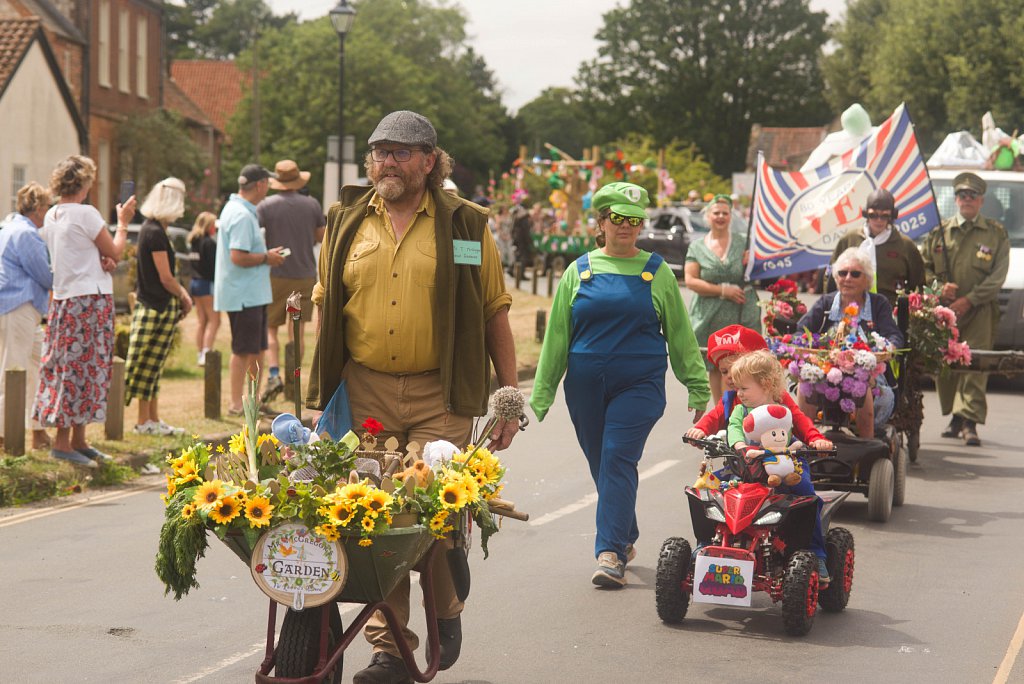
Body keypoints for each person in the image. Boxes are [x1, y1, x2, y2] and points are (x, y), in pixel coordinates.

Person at [306, 110, 520, 684]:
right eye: (379, 151)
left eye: (401, 152)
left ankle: (446, 606)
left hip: (440, 394)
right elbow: (326, 300)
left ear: (430, 161)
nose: (387, 162)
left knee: (432, 513)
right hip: (366, 389)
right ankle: (392, 648)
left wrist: (509, 398)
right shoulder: (347, 219)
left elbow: (494, 307)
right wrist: (316, 388)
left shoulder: (466, 227)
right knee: (376, 515)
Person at [530, 181, 710, 590]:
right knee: (603, 463)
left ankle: (609, 552)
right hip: (584, 385)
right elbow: (557, 337)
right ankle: (625, 534)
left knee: (615, 456)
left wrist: (697, 385)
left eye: (634, 219)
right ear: (601, 222)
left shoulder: (658, 271)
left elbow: (680, 333)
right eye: (618, 218)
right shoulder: (578, 270)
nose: (627, 226)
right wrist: (540, 395)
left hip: (640, 383)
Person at [33, 155, 135, 467]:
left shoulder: (53, 214)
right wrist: (123, 223)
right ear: (85, 183)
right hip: (89, 301)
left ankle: (77, 440)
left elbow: (80, 253)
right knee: (87, 368)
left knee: (69, 366)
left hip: (64, 300)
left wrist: (101, 259)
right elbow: (115, 249)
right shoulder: (87, 213)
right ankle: (66, 442)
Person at [724, 349, 832, 585]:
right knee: (719, 494)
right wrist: (740, 445)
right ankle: (709, 545)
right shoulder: (741, 410)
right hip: (749, 463)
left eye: (744, 388)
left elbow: (802, 423)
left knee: (807, 498)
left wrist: (816, 439)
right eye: (738, 388)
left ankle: (818, 554)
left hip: (786, 463)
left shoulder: (783, 407)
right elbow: (733, 428)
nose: (738, 393)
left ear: (766, 384)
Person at [921, 172, 1010, 446]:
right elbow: (922, 267)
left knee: (975, 364)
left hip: (980, 311)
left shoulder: (995, 234)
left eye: (972, 196)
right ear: (956, 200)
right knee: (946, 366)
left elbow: (998, 275)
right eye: (962, 195)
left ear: (981, 200)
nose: (967, 200)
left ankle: (969, 420)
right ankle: (955, 416)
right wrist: (938, 288)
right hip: (944, 313)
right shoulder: (939, 232)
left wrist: (969, 299)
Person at [797, 247, 904, 438]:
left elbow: (894, 336)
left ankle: (866, 445)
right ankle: (805, 441)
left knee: (861, 382)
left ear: (867, 280)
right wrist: (810, 351)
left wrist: (886, 349)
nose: (847, 278)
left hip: (867, 371)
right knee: (807, 380)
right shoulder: (826, 303)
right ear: (836, 278)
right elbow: (800, 332)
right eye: (842, 273)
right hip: (826, 369)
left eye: (855, 274)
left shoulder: (878, 304)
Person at [214, 164, 286, 415]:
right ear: (260, 185)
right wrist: (266, 257)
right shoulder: (242, 215)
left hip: (250, 292)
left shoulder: (239, 209)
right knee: (243, 349)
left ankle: (251, 401)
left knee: (256, 349)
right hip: (244, 294)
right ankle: (236, 404)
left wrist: (265, 256)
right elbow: (238, 256)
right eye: (267, 183)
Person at [124, 178, 193, 435]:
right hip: (154, 306)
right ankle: (144, 422)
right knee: (144, 368)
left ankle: (152, 419)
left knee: (153, 369)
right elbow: (166, 277)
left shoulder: (155, 230)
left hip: (158, 306)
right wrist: (184, 295)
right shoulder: (154, 232)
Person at [257, 160, 326, 402]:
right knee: (296, 330)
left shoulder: (266, 205)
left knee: (271, 327)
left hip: (276, 274)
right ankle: (293, 378)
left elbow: (255, 234)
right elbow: (321, 236)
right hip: (305, 274)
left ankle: (274, 371)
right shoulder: (312, 204)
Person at [684, 193, 761, 404]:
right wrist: (722, 290)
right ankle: (721, 413)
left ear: (731, 216)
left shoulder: (743, 242)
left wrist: (752, 263)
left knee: (741, 366)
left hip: (740, 315)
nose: (720, 216)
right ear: (708, 216)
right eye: (716, 213)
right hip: (709, 317)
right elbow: (690, 280)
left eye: (724, 213)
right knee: (716, 366)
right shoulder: (697, 246)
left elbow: (760, 274)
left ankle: (740, 411)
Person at [0, 182, 53, 451]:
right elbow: (44, 275)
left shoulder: (9, 226)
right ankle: (4, 436)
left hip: (18, 310)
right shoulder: (26, 234)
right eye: (46, 206)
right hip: (18, 308)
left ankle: (37, 430)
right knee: (14, 370)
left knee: (39, 367)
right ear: (39, 209)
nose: (48, 212)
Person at [826, 187, 925, 306]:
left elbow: (919, 284)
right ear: (866, 214)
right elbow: (832, 276)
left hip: (891, 310)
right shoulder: (849, 240)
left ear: (892, 216)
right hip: (850, 308)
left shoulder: (905, 245)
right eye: (873, 215)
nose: (879, 220)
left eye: (884, 216)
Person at [187, 212, 219, 366]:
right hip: (206, 284)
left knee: (202, 321)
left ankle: (200, 353)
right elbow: (215, 267)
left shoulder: (193, 241)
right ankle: (206, 352)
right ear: (208, 226)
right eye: (213, 225)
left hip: (194, 283)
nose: (215, 228)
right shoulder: (209, 243)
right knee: (215, 320)